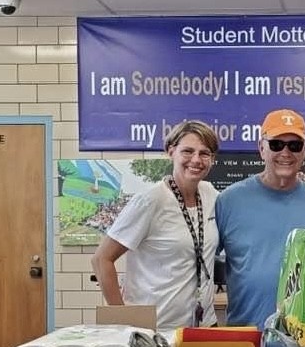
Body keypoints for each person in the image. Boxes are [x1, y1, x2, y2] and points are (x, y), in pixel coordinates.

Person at [91, 120, 220, 330]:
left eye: (204, 153)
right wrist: (122, 320)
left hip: (203, 325)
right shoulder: (150, 200)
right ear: (171, 151)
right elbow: (101, 259)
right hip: (157, 329)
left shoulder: (210, 194)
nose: (196, 160)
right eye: (188, 151)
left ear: (212, 159)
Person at [216, 109, 305, 327]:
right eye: (276, 144)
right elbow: (201, 260)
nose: (285, 153)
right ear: (261, 148)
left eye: (294, 145)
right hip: (247, 334)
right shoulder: (229, 201)